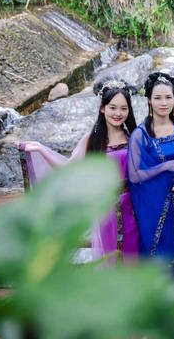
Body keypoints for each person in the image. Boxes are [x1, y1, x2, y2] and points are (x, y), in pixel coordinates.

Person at [19, 79, 139, 264]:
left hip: (134, 206)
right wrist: (41, 149)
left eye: (123, 108)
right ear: (102, 108)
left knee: (134, 256)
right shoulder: (92, 139)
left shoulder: (134, 136)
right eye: (112, 108)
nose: (118, 113)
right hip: (107, 208)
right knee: (112, 257)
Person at [127, 72, 174, 279]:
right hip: (155, 207)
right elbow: (135, 175)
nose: (163, 102)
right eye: (158, 97)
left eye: (168, 97)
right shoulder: (141, 135)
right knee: (162, 254)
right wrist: (167, 166)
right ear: (149, 100)